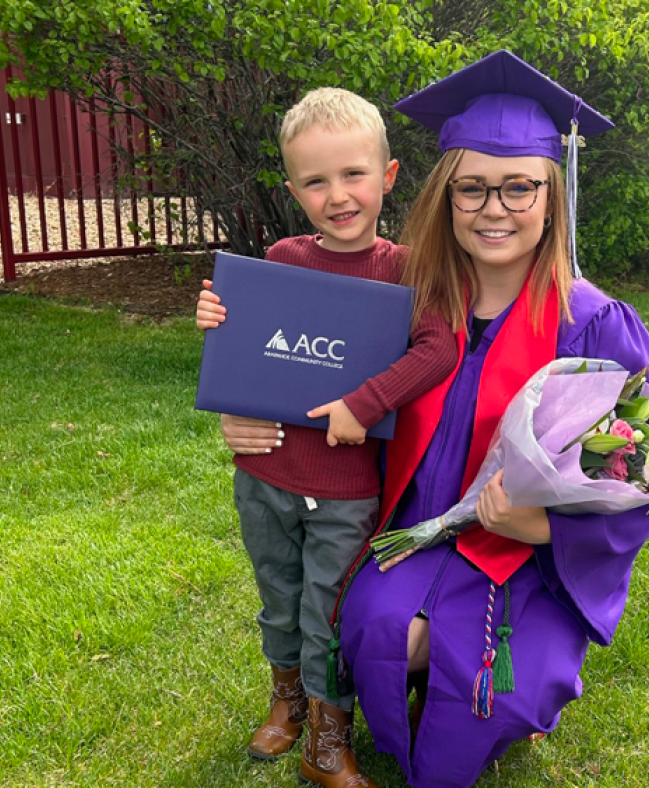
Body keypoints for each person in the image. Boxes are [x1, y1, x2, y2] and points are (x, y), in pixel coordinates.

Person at [351, 50, 649, 788]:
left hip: (531, 565)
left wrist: (546, 529)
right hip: (421, 536)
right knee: (376, 634)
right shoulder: (415, 307)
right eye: (473, 189)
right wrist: (250, 411)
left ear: (552, 196)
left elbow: (642, 469)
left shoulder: (594, 323)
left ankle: (495, 692)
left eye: (518, 187)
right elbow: (323, 380)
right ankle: (424, 663)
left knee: (491, 695)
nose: (494, 208)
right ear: (447, 198)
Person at [195, 87, 457, 788]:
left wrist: (364, 402)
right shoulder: (282, 258)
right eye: (315, 181)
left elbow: (438, 350)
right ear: (293, 190)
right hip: (267, 477)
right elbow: (247, 343)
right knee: (277, 597)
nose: (337, 195)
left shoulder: (407, 270)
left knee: (327, 611)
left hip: (346, 493)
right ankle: (284, 699)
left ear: (389, 176)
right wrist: (216, 316)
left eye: (353, 175)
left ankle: (325, 740)